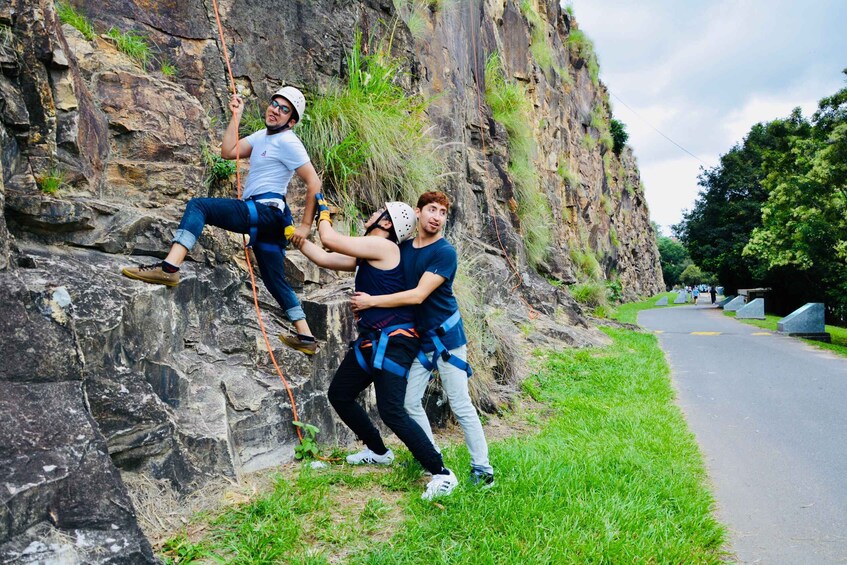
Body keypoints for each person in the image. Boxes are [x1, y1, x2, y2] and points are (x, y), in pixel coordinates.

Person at [121, 87, 319, 355]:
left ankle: (169, 268)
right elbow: (229, 151)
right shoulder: (262, 137)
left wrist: (306, 226)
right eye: (274, 103)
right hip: (269, 217)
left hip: (267, 210)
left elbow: (313, 182)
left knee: (199, 205)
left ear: (292, 121)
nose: (275, 110)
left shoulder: (288, 141)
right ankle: (306, 337)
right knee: (274, 279)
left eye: (285, 110)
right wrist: (235, 117)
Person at [295, 194, 458, 500]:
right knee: (339, 394)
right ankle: (378, 450)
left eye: (376, 212)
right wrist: (296, 238)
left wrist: (323, 209)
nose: (370, 214)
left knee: (392, 411)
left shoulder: (383, 246)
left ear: (386, 221)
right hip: (372, 340)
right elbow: (324, 256)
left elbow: (328, 239)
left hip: (394, 342)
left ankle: (441, 472)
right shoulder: (370, 253)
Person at [350, 191, 495, 487]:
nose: (436, 216)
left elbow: (417, 295)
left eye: (442, 212)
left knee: (460, 403)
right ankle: (430, 455)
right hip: (420, 340)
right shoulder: (403, 249)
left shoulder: (444, 253)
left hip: (447, 341)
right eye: (431, 209)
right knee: (408, 401)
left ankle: (483, 469)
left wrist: (371, 302)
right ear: (417, 212)